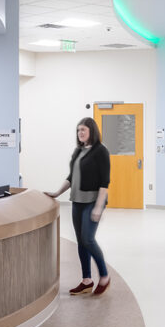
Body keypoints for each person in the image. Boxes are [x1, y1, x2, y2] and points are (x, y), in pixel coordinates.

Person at [45, 117, 111, 296]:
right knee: (81, 241)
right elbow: (72, 176)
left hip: (92, 201)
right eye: (78, 130)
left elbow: (105, 182)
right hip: (77, 201)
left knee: (88, 239)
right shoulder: (78, 151)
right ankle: (87, 280)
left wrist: (98, 207)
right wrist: (57, 192)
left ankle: (104, 276)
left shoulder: (101, 151)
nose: (80, 133)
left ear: (92, 131)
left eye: (83, 130)